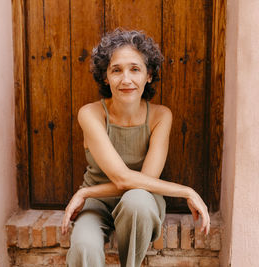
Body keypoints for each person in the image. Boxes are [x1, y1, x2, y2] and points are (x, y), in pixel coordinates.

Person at [61, 29, 210, 267]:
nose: (126, 79)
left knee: (136, 200)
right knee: (84, 247)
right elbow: (121, 179)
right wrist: (186, 191)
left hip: (142, 202)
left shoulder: (160, 116)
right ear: (105, 77)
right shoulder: (90, 114)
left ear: (149, 75)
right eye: (116, 70)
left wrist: (84, 192)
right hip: (98, 204)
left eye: (135, 69)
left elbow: (144, 181)